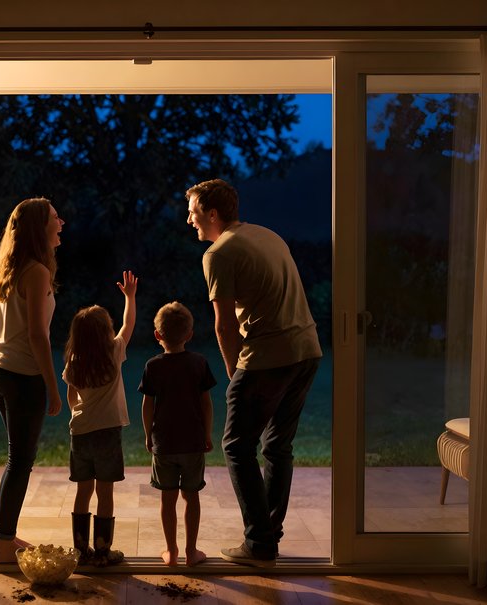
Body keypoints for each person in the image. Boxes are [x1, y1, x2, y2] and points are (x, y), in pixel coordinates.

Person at [185, 178, 322, 565]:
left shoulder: (219, 253)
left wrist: (233, 371)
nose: (189, 219)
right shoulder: (266, 234)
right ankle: (267, 538)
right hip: (307, 350)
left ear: (212, 213)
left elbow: (223, 325)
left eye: (193, 211)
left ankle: (259, 542)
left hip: (269, 356)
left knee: (236, 446)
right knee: (277, 446)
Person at [0, 197, 65, 563]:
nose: (61, 222)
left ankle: (7, 536)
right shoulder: (36, 271)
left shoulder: (14, 267)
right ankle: (4, 543)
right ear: (40, 228)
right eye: (54, 218)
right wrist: (52, 385)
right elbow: (37, 335)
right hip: (20, 375)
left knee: (17, 458)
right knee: (20, 460)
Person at [63, 271, 138, 566]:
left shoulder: (74, 361)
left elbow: (71, 395)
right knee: (105, 492)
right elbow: (128, 325)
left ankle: (81, 552)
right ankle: (103, 551)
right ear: (106, 331)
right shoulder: (114, 352)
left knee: (84, 490)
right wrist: (130, 297)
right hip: (107, 433)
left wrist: (76, 413)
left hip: (80, 433)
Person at [139, 301, 216, 567]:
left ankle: (171, 552)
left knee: (167, 498)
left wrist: (148, 435)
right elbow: (206, 403)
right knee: (191, 496)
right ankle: (191, 552)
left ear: (158, 335)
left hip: (165, 444)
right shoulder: (199, 363)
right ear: (190, 334)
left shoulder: (153, 366)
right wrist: (207, 434)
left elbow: (148, 404)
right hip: (193, 442)